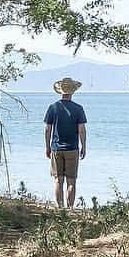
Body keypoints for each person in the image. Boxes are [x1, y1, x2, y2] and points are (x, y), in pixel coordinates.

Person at [43, 77, 87, 209]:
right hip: (72, 148)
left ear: (60, 91)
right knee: (71, 181)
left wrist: (47, 146)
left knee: (58, 179)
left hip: (56, 148)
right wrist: (83, 146)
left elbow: (47, 129)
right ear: (72, 92)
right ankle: (70, 208)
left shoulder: (53, 108)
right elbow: (81, 129)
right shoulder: (78, 108)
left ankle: (60, 207)